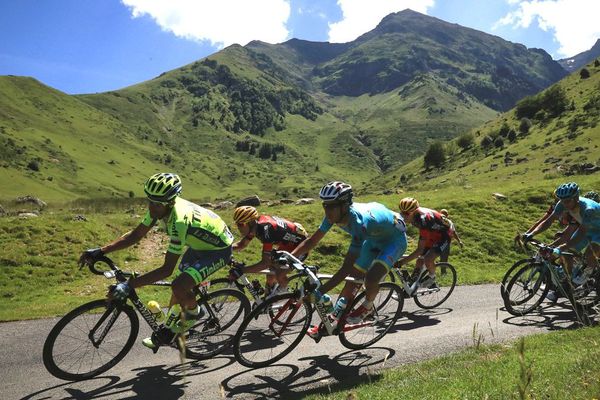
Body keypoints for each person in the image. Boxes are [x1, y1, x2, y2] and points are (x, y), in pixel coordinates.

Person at [78, 172, 234, 349]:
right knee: (178, 290)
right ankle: (169, 329)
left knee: (179, 285)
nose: (152, 208)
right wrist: (101, 250)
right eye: (149, 201)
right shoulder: (160, 207)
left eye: (157, 204)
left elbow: (166, 269)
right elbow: (136, 235)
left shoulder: (180, 221)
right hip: (198, 246)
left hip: (218, 250)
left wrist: (130, 286)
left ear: (171, 202)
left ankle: (194, 312)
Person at [291, 181, 407, 336]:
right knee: (352, 280)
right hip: (373, 238)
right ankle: (333, 320)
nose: (327, 210)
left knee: (371, 278)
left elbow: (345, 268)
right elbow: (312, 241)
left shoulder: (359, 223)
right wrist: (290, 257)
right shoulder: (333, 215)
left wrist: (321, 291)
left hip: (394, 241)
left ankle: (367, 306)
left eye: (331, 206)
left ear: (344, 205)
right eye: (325, 205)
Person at [524, 182, 600, 298]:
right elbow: (549, 221)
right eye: (562, 200)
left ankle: (588, 272)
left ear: (576, 198)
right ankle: (568, 282)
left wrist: (562, 247)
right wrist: (531, 233)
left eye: (568, 201)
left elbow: (581, 233)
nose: (565, 204)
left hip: (596, 231)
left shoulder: (588, 209)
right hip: (588, 230)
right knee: (566, 254)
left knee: (590, 253)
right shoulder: (562, 203)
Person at [231, 205, 308, 295]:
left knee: (279, 273)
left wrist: (242, 270)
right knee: (271, 272)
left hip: (301, 247)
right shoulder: (255, 227)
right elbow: (241, 244)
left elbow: (264, 263)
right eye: (237, 224)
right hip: (287, 245)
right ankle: (268, 298)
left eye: (241, 224)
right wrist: (223, 250)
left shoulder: (266, 229)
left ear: (251, 222)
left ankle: (285, 293)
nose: (239, 227)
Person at [396, 198, 453, 288]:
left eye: (406, 214)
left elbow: (419, 250)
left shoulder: (424, 220)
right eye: (402, 213)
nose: (404, 216)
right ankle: (412, 286)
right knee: (419, 261)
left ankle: (432, 278)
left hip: (445, 234)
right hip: (432, 232)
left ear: (414, 212)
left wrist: (401, 262)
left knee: (428, 259)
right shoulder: (415, 216)